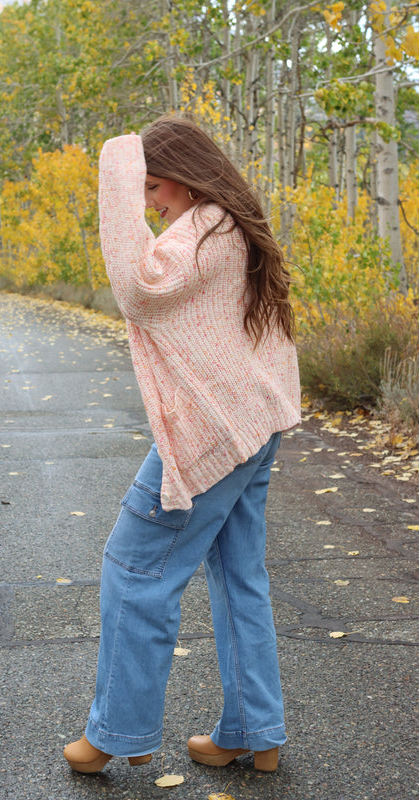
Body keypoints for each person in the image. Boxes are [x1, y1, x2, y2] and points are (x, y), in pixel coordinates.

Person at [63, 115, 301, 774]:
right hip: (251, 426)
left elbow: (137, 290)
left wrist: (117, 161)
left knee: (134, 569)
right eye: (144, 191)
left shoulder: (207, 232)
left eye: (156, 188)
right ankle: (254, 733)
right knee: (238, 577)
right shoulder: (226, 224)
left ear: (183, 175)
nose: (152, 203)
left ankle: (114, 735)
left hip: (216, 433)